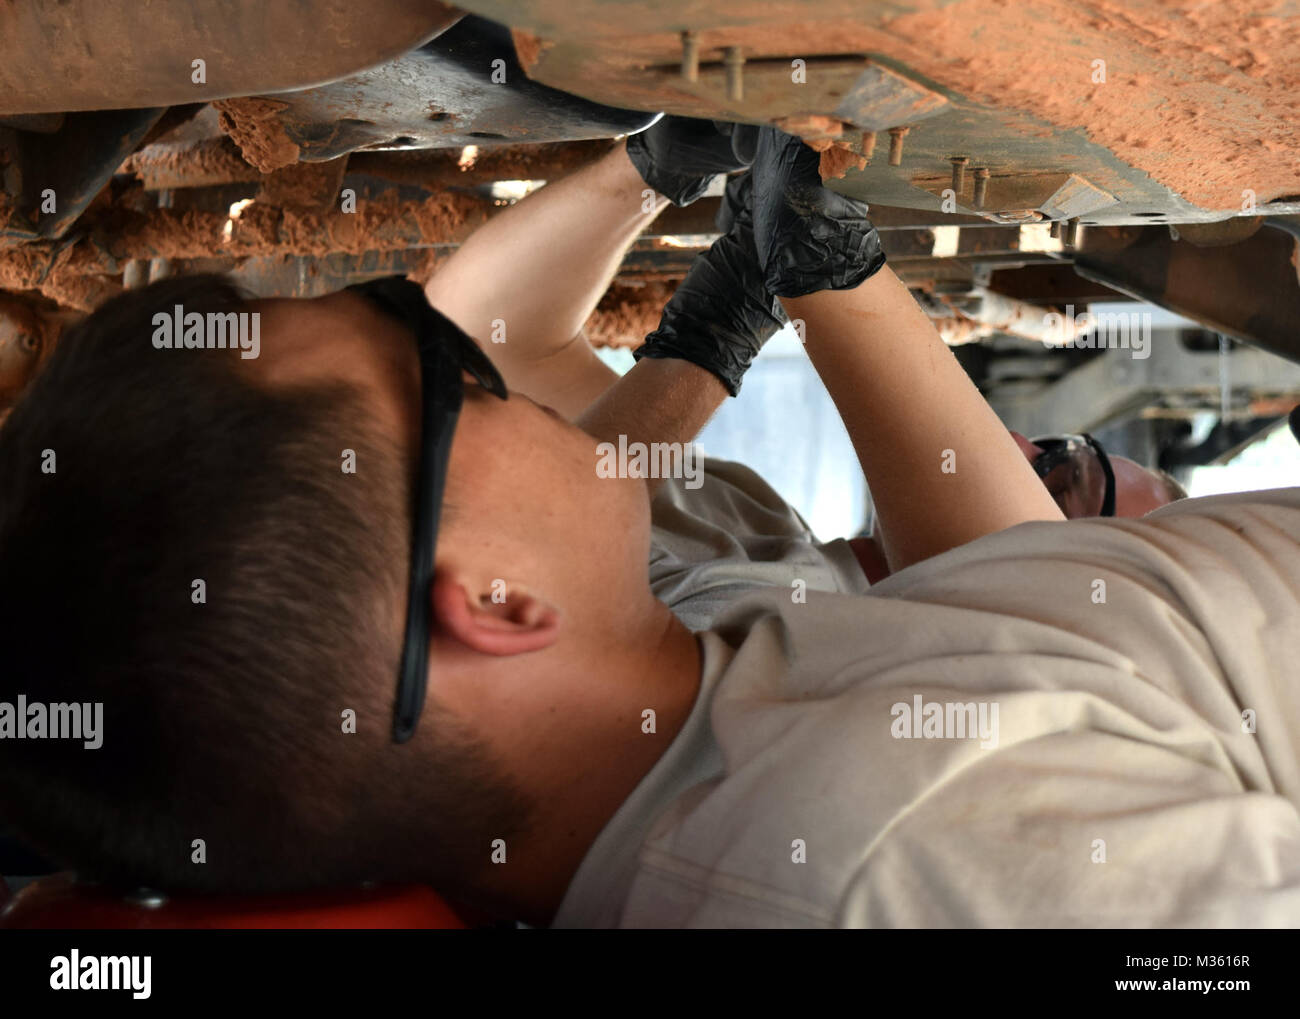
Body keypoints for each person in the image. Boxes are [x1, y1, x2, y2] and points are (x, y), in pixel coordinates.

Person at [2, 124, 1297, 928]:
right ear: (498, 603)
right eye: (445, 383)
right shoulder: (898, 874)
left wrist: (821, 275)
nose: (483, 369)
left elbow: (1017, 618)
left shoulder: (707, 716)